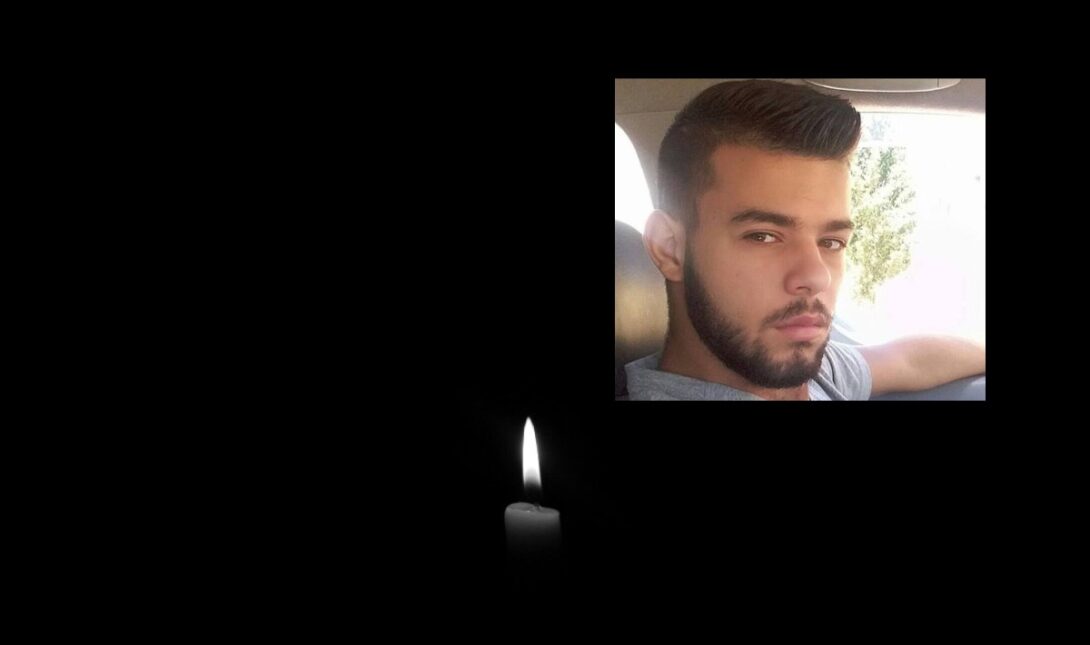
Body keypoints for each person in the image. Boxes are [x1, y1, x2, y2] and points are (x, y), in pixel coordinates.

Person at [625, 80, 985, 400]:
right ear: (670, 247)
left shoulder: (813, 373)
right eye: (764, 236)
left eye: (831, 242)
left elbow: (910, 360)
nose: (816, 276)